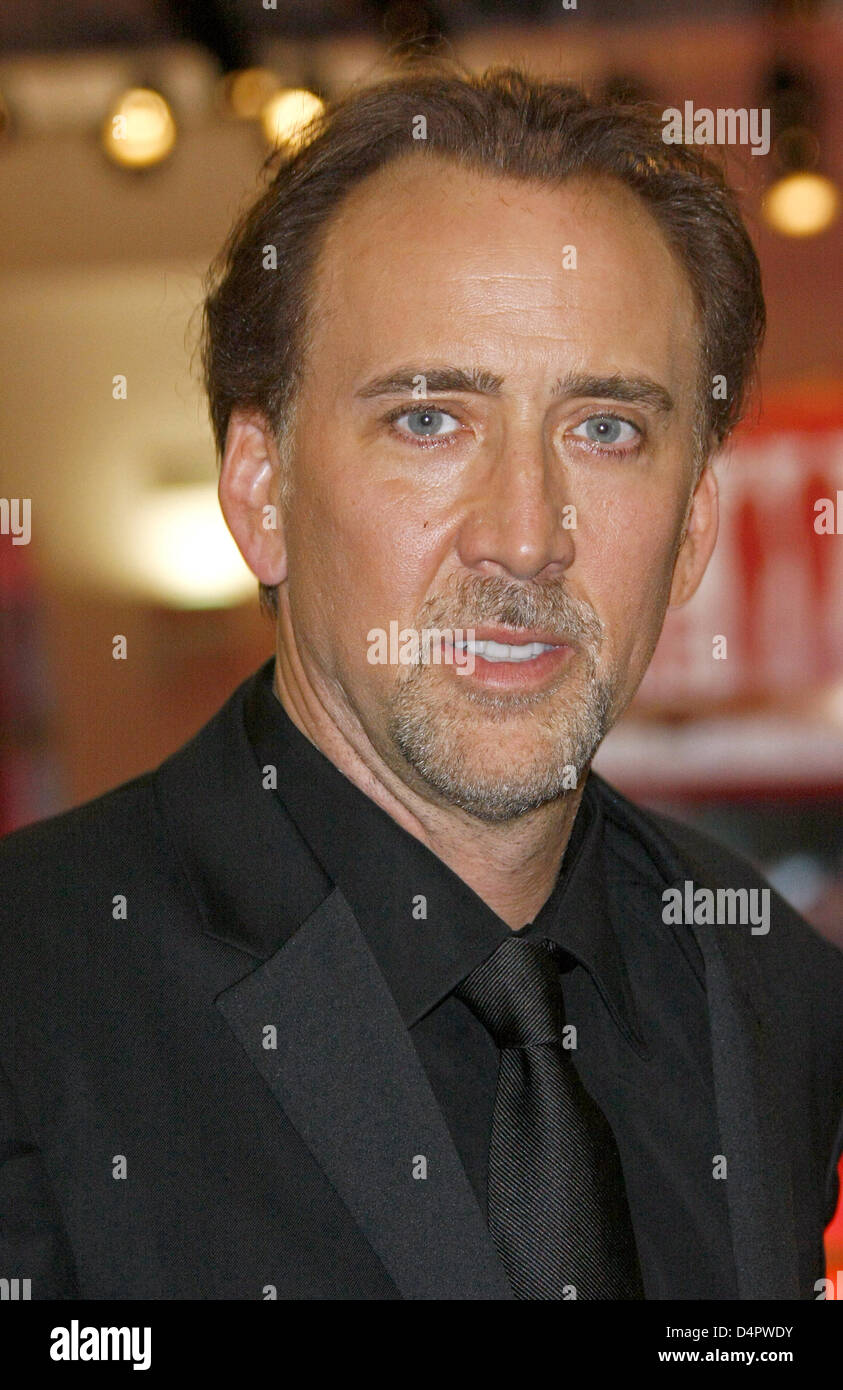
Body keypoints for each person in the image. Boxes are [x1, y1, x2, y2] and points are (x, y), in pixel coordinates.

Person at [1, 66, 841, 1302]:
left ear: (695, 527)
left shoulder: (769, 978)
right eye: (430, 419)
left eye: (605, 428)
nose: (526, 533)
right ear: (261, 493)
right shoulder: (35, 992)